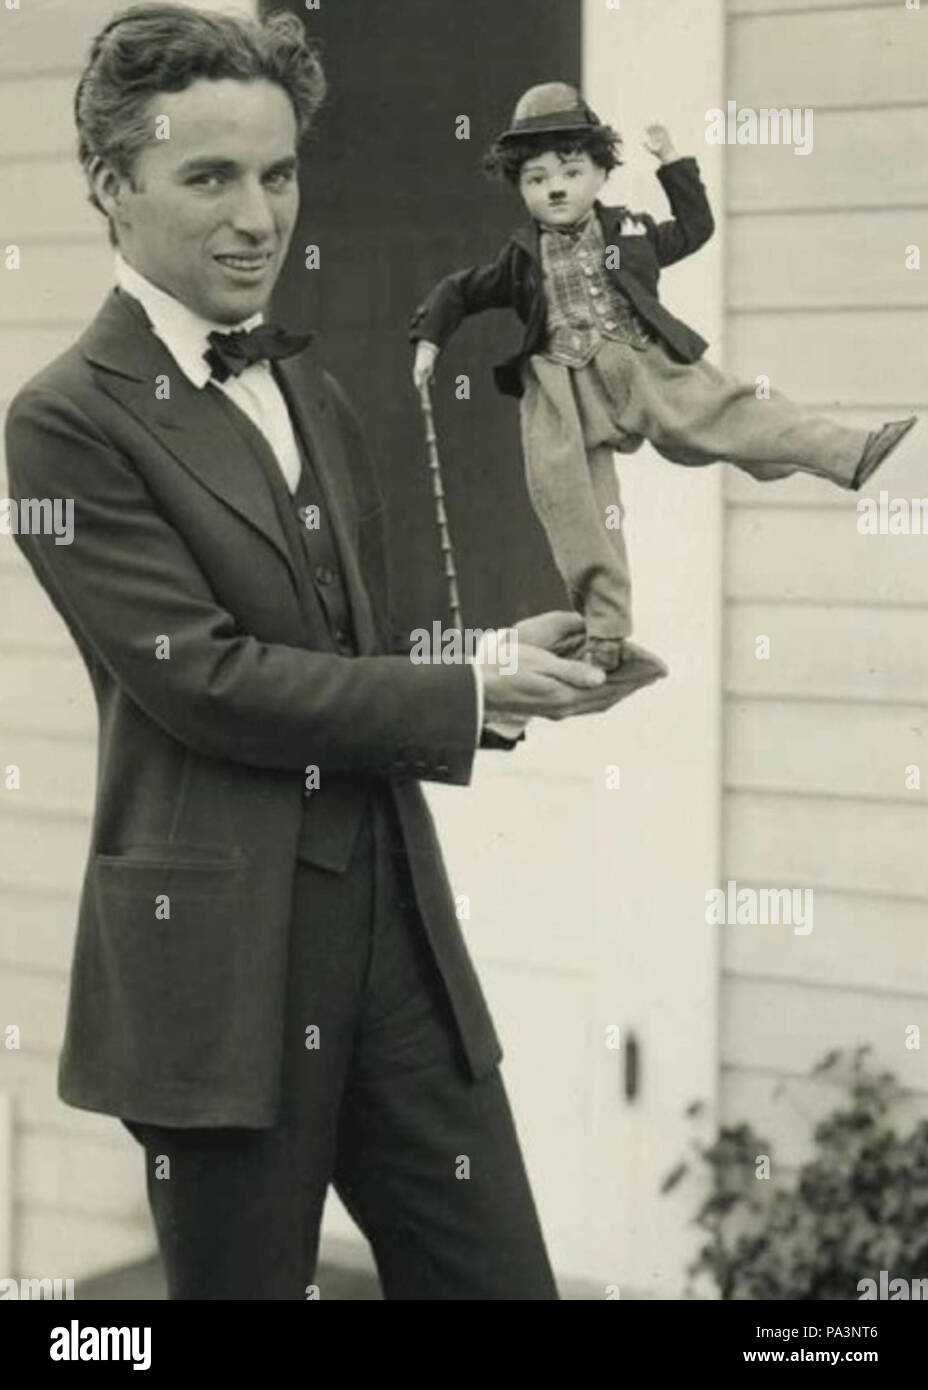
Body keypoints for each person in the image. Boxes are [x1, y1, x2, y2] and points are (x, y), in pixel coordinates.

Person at [5, 8, 645, 1300]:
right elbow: (212, 680)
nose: (259, 216)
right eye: (210, 177)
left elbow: (352, 652)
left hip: (397, 946)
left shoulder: (315, 391)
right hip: (221, 978)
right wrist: (463, 692)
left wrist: (484, 652)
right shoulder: (60, 428)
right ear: (111, 186)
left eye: (281, 173)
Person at [411, 82, 917, 672]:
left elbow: (696, 228)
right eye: (536, 178)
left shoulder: (633, 233)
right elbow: (459, 290)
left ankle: (849, 451)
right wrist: (428, 340)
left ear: (601, 173)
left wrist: (673, 164)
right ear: (521, 188)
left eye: (571, 171)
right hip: (561, 388)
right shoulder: (520, 258)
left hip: (643, 363)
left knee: (735, 413)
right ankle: (605, 632)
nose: (555, 187)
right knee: (570, 499)